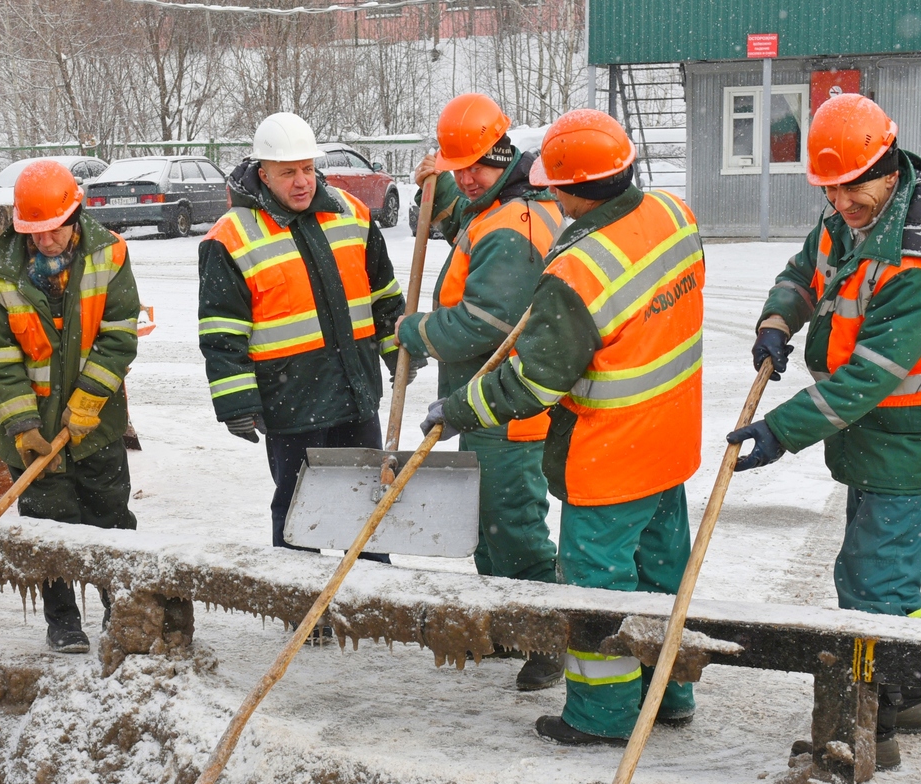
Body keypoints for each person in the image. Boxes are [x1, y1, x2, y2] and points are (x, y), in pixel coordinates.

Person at [422, 110, 706, 746]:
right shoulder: (672, 214)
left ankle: (602, 716)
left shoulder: (576, 272)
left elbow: (533, 384)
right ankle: (670, 694)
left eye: (555, 185)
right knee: (662, 574)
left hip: (611, 455)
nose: (548, 193)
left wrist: (459, 408)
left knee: (597, 588)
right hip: (671, 436)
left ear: (572, 189)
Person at [726, 93, 921, 770]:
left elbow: (865, 379)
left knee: (869, 588)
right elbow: (803, 274)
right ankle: (904, 691)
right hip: (882, 441)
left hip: (916, 443)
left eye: (853, 189)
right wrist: (778, 322)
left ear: (889, 167)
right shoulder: (853, 216)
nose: (840, 204)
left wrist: (781, 430)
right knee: (891, 582)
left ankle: (866, 734)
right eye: (829, 190)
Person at [398, 93, 565, 691]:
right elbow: (460, 232)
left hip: (507, 400)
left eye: (476, 166)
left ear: (503, 155)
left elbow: (484, 321)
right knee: (489, 523)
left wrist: (414, 330)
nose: (468, 178)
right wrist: (439, 191)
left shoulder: (515, 225)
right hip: (480, 400)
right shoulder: (496, 206)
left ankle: (549, 639)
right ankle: (506, 625)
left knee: (514, 522)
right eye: (457, 167)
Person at [198, 111, 407, 562]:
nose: (301, 182)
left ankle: (372, 597)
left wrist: (397, 353)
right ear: (263, 173)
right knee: (299, 507)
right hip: (292, 400)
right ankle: (302, 607)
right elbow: (222, 333)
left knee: (369, 498)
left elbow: (383, 294)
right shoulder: (230, 238)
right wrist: (236, 402)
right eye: (288, 172)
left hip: (355, 392)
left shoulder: (351, 214)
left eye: (308, 169)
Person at [0, 158, 141, 653]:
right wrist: (24, 426)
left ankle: (123, 610)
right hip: (33, 435)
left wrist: (89, 402)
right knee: (48, 532)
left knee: (111, 522)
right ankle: (63, 622)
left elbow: (118, 335)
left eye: (54, 230)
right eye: (34, 232)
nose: (45, 240)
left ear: (74, 216)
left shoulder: (109, 255)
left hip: (98, 429)